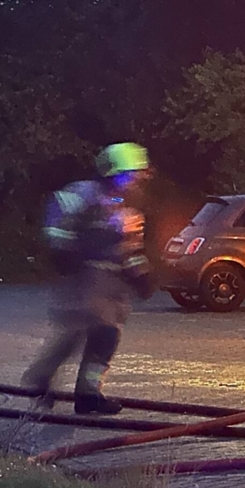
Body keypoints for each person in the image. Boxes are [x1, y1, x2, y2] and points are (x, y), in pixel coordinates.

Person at [21, 143, 155, 414]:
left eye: (136, 176)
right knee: (93, 333)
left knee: (93, 334)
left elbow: (128, 248)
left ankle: (76, 389)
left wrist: (142, 274)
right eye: (128, 175)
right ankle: (75, 390)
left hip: (111, 284)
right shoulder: (83, 196)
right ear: (112, 173)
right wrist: (70, 253)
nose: (132, 182)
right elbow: (59, 233)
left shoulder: (126, 207)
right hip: (85, 277)